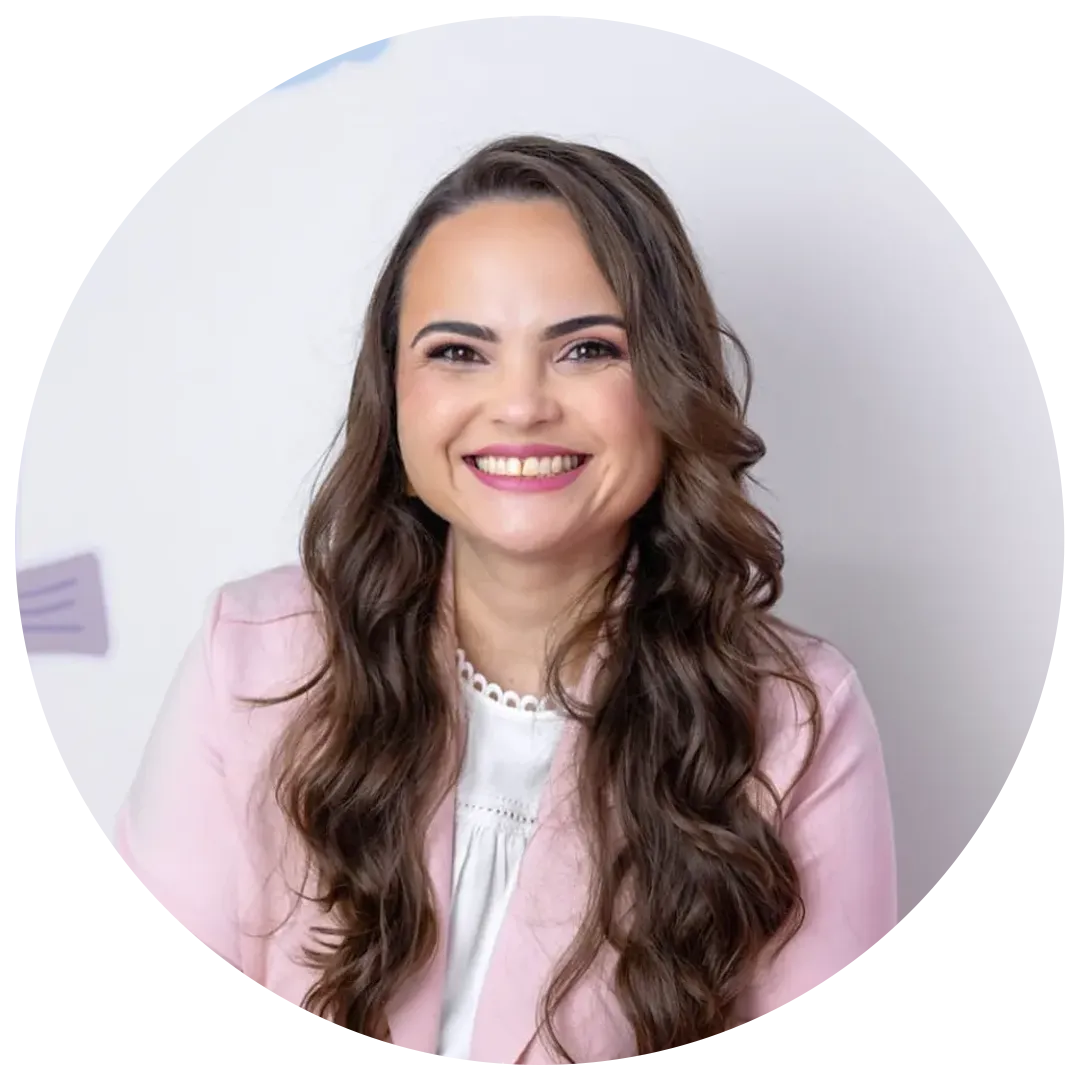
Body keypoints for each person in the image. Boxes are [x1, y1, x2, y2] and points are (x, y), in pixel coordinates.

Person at [114, 134, 897, 1066]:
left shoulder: (796, 717)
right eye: (459, 352)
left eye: (587, 350)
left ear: (668, 384)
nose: (521, 406)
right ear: (393, 393)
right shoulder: (249, 660)